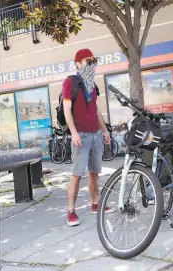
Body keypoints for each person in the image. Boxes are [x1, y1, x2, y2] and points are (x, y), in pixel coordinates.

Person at [63, 48, 112, 226]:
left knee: (94, 173)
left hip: (95, 135)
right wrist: (74, 133)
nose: (91, 65)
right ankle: (71, 211)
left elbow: (96, 111)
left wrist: (105, 130)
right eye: (87, 62)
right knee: (76, 174)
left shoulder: (92, 84)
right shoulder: (70, 83)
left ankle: (95, 204)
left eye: (93, 62)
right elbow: (67, 110)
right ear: (78, 64)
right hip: (81, 136)